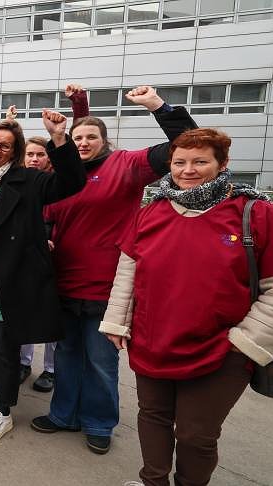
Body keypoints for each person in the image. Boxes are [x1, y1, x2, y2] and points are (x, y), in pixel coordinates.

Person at [99, 128, 273, 486]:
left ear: (222, 164)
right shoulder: (152, 211)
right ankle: (154, 481)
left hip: (221, 349)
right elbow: (128, 268)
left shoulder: (254, 213)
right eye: (180, 162)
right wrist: (117, 322)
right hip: (152, 340)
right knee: (153, 417)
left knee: (196, 435)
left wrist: (245, 341)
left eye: (200, 161)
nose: (187, 170)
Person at [31, 86, 198, 455]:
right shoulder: (60, 177)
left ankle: (98, 422)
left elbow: (188, 144)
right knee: (67, 355)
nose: (85, 142)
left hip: (106, 288)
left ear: (106, 141)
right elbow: (44, 222)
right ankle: (63, 415)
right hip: (63, 283)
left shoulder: (127, 164)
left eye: (92, 136)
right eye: (78, 137)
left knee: (102, 362)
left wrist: (158, 106)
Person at [0, 111, 86, 443]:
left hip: (5, 287)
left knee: (4, 351)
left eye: (7, 146)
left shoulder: (28, 182)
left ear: (15, 151)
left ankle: (3, 411)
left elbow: (72, 182)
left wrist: (59, 137)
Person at [18, 135, 57, 392]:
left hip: (55, 259)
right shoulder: (18, 183)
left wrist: (51, 241)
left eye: (39, 155)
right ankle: (23, 362)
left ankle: (52, 369)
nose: (34, 159)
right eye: (29, 154)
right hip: (24, 260)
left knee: (51, 317)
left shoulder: (55, 185)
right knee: (24, 314)